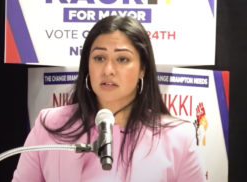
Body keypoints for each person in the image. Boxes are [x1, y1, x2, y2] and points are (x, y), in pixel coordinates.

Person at [12, 15, 205, 182]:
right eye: (99, 58)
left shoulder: (178, 137)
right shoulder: (50, 125)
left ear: (142, 69)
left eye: (122, 59)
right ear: (87, 65)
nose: (108, 70)